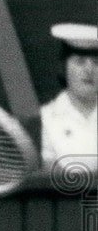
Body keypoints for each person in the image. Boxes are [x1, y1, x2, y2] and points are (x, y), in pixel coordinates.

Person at [40, 23, 97, 168]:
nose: (89, 70)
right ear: (63, 67)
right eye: (80, 61)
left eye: (96, 62)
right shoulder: (44, 119)